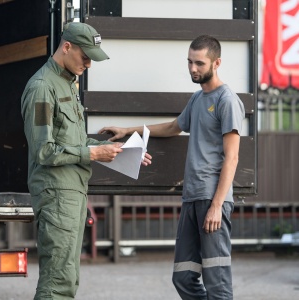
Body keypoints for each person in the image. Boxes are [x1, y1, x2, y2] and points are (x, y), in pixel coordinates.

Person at [99, 35, 245, 300]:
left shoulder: (227, 100)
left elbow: (232, 158)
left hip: (212, 200)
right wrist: (126, 130)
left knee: (217, 282)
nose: (192, 69)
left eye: (199, 63)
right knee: (183, 277)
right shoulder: (198, 99)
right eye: (189, 62)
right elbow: (173, 127)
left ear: (217, 63)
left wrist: (216, 205)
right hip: (192, 198)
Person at [21, 22, 151, 300]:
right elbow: (44, 151)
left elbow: (74, 143)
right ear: (66, 47)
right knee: (58, 283)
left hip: (71, 193)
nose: (89, 64)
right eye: (85, 56)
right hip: (56, 194)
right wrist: (93, 153)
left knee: (67, 279)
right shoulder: (43, 88)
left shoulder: (65, 83)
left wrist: (115, 150)